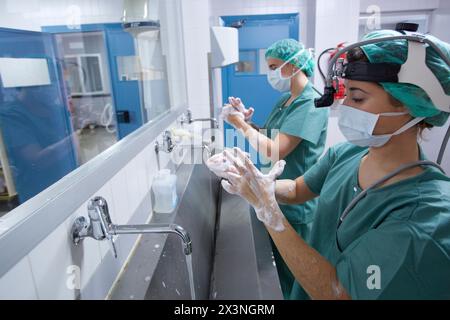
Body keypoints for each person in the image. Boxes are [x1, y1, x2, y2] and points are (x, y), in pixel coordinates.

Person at [215, 30, 450, 299]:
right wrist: (261, 185)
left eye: (358, 97)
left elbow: (339, 292)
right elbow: (297, 189)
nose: (344, 106)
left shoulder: (422, 217)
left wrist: (269, 211)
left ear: (410, 103)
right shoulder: (346, 154)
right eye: (346, 93)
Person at [220, 39, 329, 298]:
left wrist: (240, 126)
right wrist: (248, 120)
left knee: (296, 277)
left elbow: (275, 150)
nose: (270, 73)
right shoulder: (286, 99)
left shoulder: (310, 104)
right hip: (274, 196)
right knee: (280, 273)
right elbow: (270, 137)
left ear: (292, 66)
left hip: (296, 204)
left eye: (273, 66)